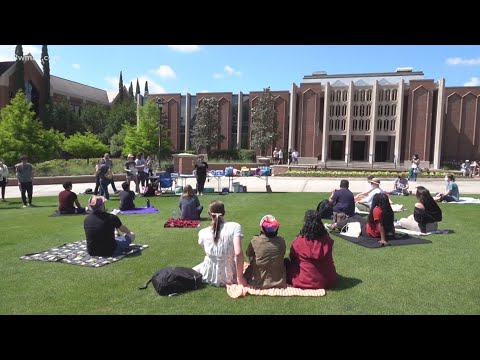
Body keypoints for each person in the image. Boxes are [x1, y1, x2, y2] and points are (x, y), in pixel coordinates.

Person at [193, 200, 247, 287]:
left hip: (209, 274)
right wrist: (240, 278)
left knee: (191, 270)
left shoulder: (202, 232)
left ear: (209, 213)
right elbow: (238, 253)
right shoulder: (235, 226)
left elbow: (209, 254)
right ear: (224, 213)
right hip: (229, 274)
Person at [286, 210, 337, 289]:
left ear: (305, 223)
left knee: (286, 263)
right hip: (328, 280)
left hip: (305, 280)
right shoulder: (327, 240)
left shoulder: (299, 241)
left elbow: (292, 258)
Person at [244, 215, 287, 289]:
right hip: (279, 281)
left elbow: (249, 254)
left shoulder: (255, 241)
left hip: (257, 281)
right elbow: (282, 254)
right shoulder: (281, 241)